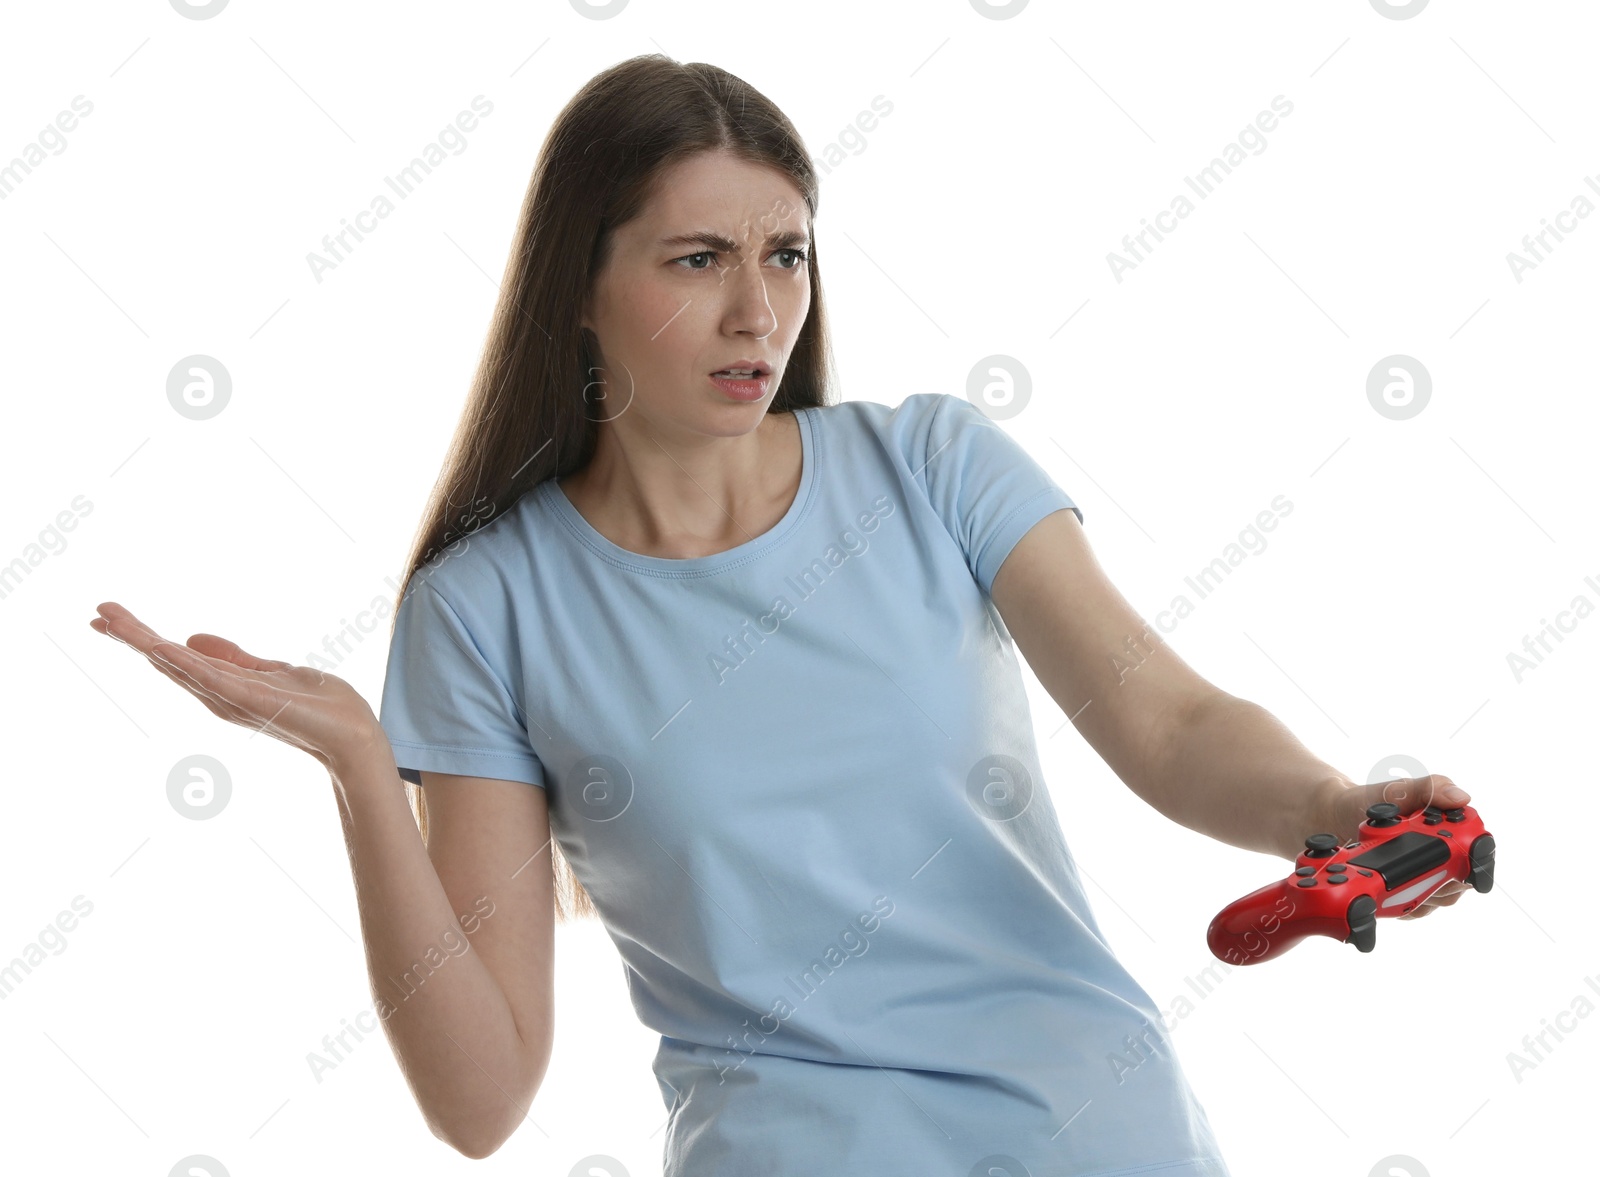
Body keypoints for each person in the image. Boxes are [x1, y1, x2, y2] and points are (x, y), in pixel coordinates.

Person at [90, 54, 1477, 1176]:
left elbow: (1169, 724)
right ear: (582, 283)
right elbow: (480, 1098)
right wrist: (354, 768)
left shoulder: (930, 463)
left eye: (787, 253)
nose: (759, 309)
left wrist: (1331, 800)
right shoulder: (486, 610)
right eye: (697, 260)